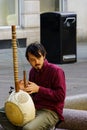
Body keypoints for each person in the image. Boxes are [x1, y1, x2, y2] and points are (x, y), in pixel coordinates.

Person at [0, 41, 66, 130]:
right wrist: (22, 90)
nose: (36, 62)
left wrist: (39, 89)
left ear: (44, 56)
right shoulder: (33, 72)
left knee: (28, 129)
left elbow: (60, 96)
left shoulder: (56, 71)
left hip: (51, 111)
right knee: (1, 113)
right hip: (33, 108)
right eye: (32, 60)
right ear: (28, 60)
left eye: (38, 58)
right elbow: (31, 96)